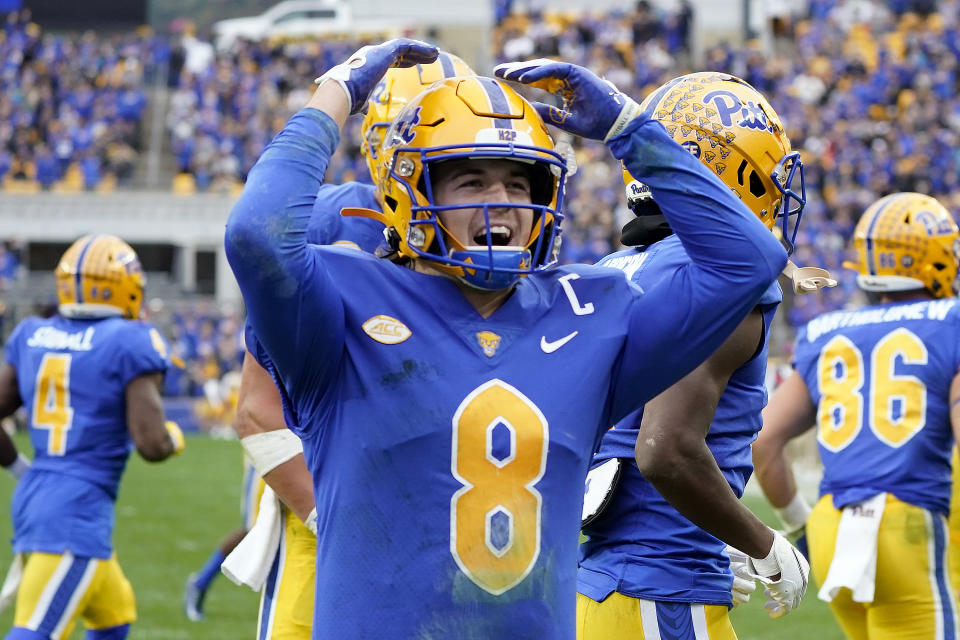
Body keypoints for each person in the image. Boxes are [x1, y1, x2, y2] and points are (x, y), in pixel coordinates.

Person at [225, 39, 789, 638]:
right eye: (470, 181)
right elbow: (257, 235)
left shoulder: (589, 312)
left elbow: (750, 260)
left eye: (522, 184)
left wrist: (629, 129)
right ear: (411, 189)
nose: (503, 204)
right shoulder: (344, 298)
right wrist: (336, 93)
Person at [224, 52, 476, 640]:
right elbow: (258, 413)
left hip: (452, 531)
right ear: (380, 147)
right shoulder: (333, 224)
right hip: (330, 529)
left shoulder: (492, 243)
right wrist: (334, 520)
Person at [577, 72, 813, 639]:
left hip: (600, 586)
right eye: (765, 175)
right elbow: (665, 450)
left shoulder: (609, 272)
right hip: (660, 591)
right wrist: (762, 542)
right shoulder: (719, 279)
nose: (776, 195)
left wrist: (708, 535)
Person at [753, 191, 960, 639]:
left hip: (832, 527)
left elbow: (764, 441)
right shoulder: (951, 320)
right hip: (908, 519)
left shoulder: (826, 330)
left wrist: (802, 526)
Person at [0, 235, 184, 640]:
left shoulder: (32, 332)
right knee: (34, 631)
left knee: (114, 616)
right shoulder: (129, 339)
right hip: (73, 515)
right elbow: (151, 444)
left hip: (43, 497)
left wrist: (19, 466)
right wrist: (172, 437)